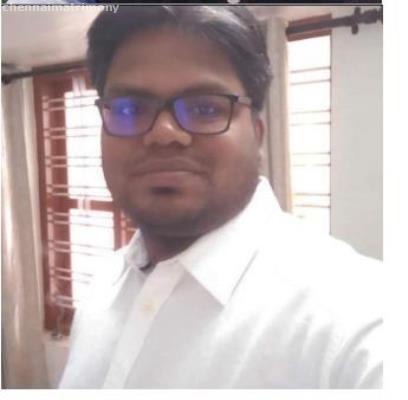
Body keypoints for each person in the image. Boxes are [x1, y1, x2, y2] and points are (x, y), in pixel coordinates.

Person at [59, 5, 382, 389]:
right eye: (130, 108)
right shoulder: (102, 289)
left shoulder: (358, 314)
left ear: (257, 135)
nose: (163, 133)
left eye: (204, 108)